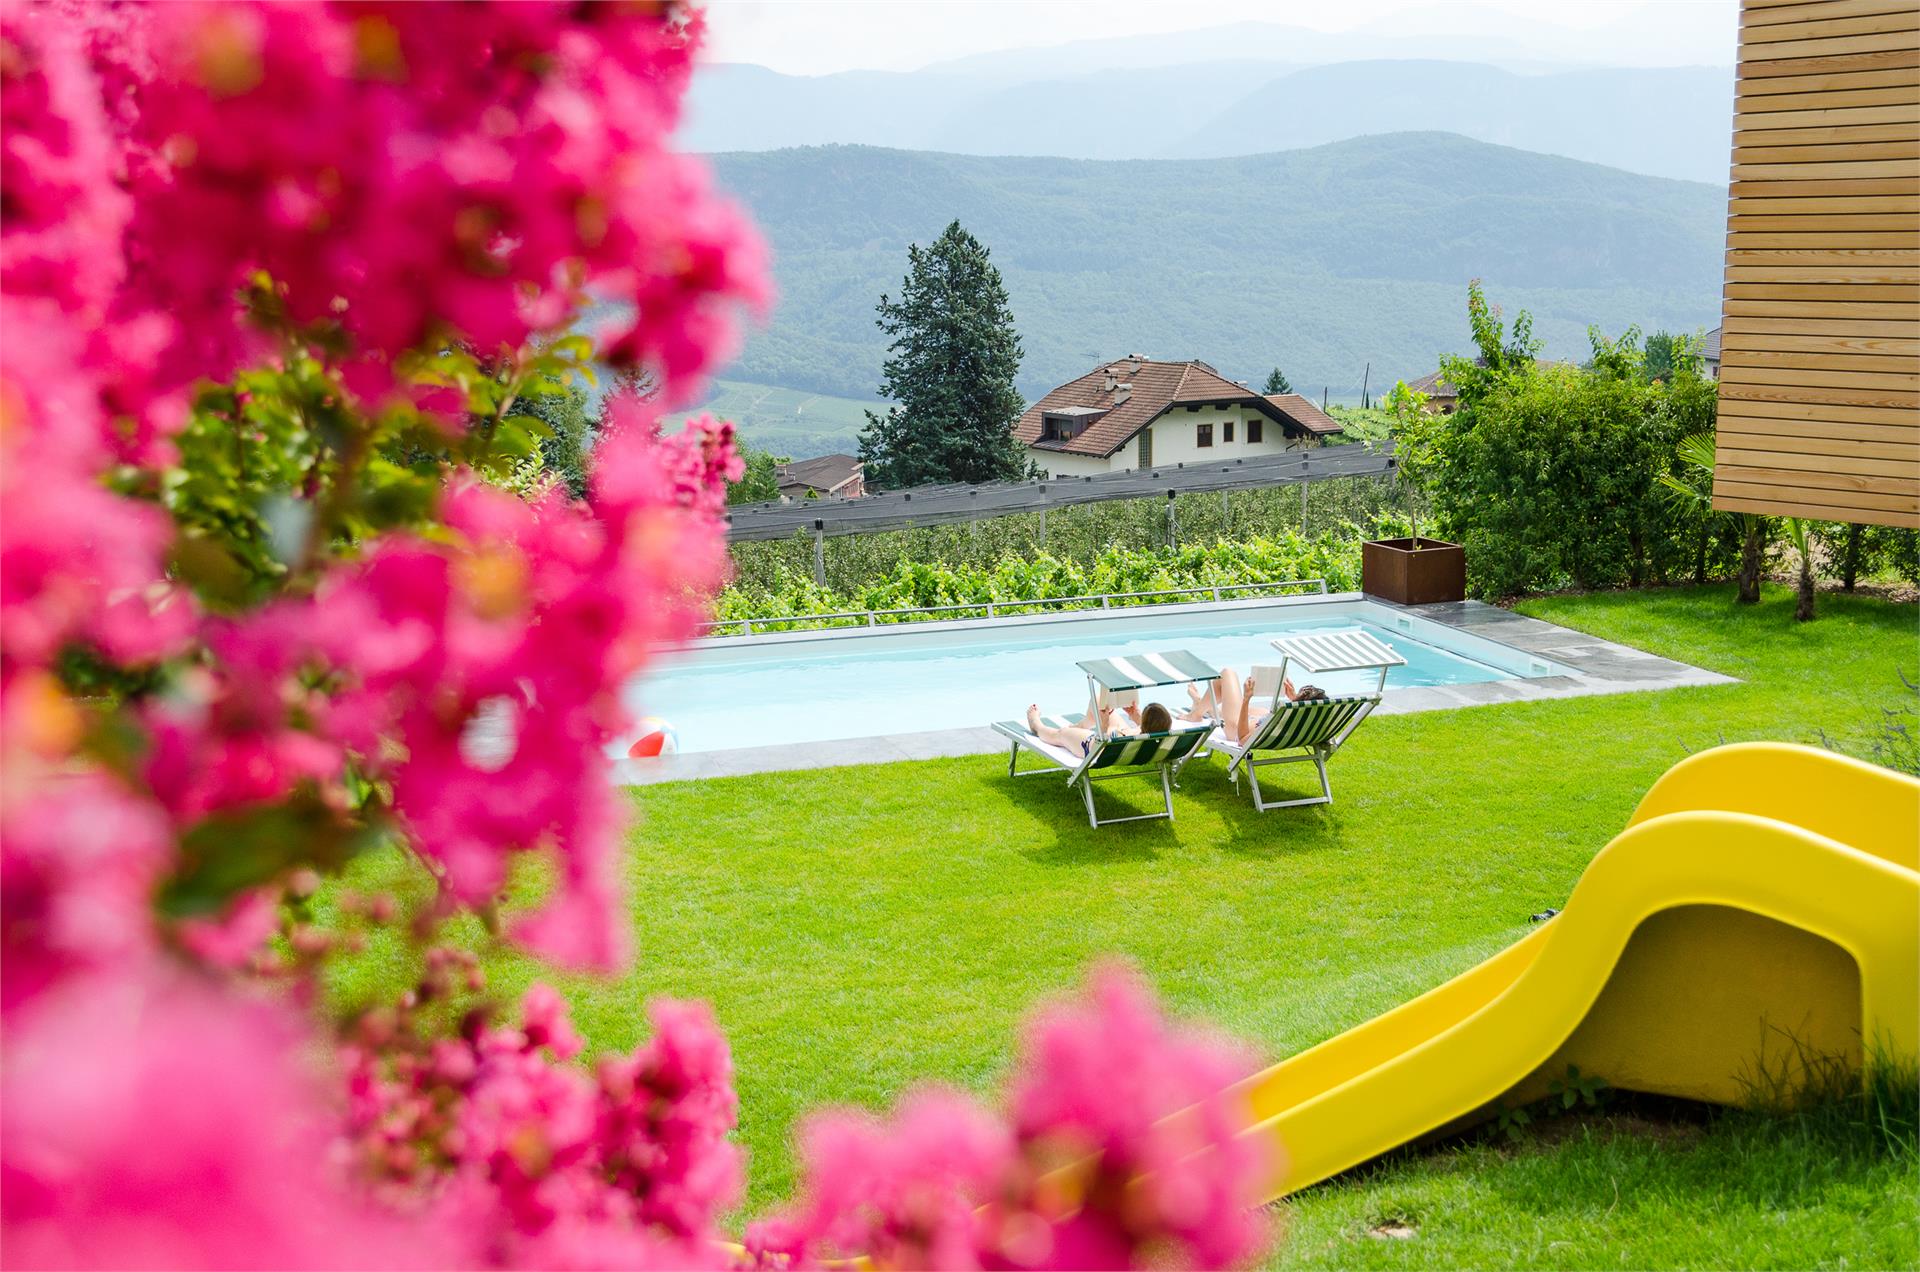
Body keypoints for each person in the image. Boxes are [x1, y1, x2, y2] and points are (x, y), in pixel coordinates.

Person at [1180, 667, 1327, 746]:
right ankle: (1202, 705)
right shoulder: (1307, 722)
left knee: (1227, 674)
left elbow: (1243, 738)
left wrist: (1246, 698)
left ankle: (1196, 713)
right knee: (1258, 709)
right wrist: (1294, 699)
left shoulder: (1278, 720)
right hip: (1256, 720)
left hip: (1236, 728)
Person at [1025, 689, 1176, 756]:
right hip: (1120, 736)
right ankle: (1082, 726)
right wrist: (1136, 717)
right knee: (1099, 701)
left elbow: (1104, 740)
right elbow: (1142, 730)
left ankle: (1036, 724)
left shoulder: (1133, 736)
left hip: (1096, 747)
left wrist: (1105, 723)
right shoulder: (1155, 737)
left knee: (1061, 733)